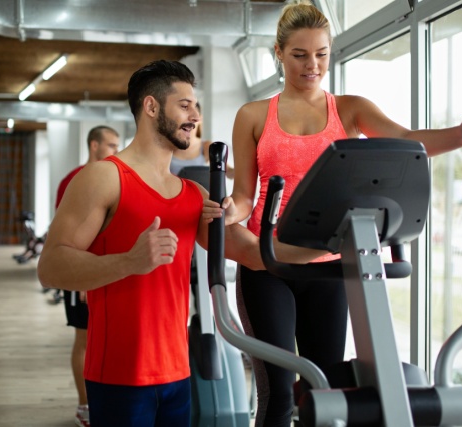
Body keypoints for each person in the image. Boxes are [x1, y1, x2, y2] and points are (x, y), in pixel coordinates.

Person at [227, 2, 462, 426]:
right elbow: (245, 195)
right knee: (280, 391)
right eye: (300, 54)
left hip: (331, 266)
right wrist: (231, 209)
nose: (312, 65)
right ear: (279, 53)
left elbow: (408, 141)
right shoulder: (252, 115)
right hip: (270, 265)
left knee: (326, 390)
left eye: (321, 53)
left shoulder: (350, 109)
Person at [37, 59, 287, 427]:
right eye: (184, 106)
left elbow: (251, 253)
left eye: (196, 107)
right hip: (119, 376)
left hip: (176, 372)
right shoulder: (104, 178)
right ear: (151, 107)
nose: (194, 117)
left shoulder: (193, 194)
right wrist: (129, 261)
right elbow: (50, 267)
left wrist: (329, 245)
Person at [53, 125, 120, 427]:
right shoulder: (75, 180)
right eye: (111, 145)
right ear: (94, 146)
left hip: (109, 272)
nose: (116, 151)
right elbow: (66, 239)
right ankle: (85, 406)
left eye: (119, 145)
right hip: (83, 273)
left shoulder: (114, 178)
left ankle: (106, 401)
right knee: (84, 338)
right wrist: (83, 276)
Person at [170, 117, 235, 179]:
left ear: (199, 120)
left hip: (201, 189)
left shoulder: (206, 146)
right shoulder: (168, 146)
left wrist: (239, 171)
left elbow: (228, 171)